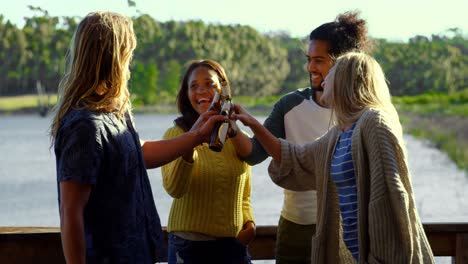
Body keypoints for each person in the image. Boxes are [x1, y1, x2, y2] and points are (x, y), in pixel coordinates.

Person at [50, 12, 226, 264]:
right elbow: (71, 212)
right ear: (115, 57)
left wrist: (196, 135)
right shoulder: (85, 126)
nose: (129, 62)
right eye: (128, 53)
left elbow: (139, 152)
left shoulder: (114, 115)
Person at [232, 52, 435, 263]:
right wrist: (251, 123)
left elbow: (389, 200)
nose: (325, 77)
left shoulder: (374, 123)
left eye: (332, 72)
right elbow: (298, 159)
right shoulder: (340, 132)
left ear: (345, 80)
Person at [232, 11, 372, 264]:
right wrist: (232, 127)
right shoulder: (289, 105)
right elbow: (253, 154)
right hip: (294, 227)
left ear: (343, 62)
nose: (310, 68)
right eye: (309, 59)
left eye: (319, 60)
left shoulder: (364, 113)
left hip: (347, 231)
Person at [161, 59, 255, 264]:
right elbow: (174, 189)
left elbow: (244, 191)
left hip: (233, 247)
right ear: (186, 95)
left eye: (209, 84)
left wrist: (248, 221)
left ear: (223, 89)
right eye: (193, 86)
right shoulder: (175, 134)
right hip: (189, 248)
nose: (201, 91)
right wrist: (191, 142)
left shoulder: (238, 137)